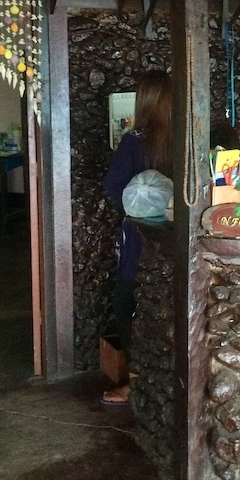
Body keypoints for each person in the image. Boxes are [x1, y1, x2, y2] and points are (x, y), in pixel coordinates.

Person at [100, 70, 172, 404]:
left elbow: (113, 185)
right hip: (176, 234)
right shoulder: (187, 136)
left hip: (140, 237)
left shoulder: (133, 140)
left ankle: (135, 383)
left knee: (127, 301)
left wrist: (136, 207)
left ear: (143, 100)